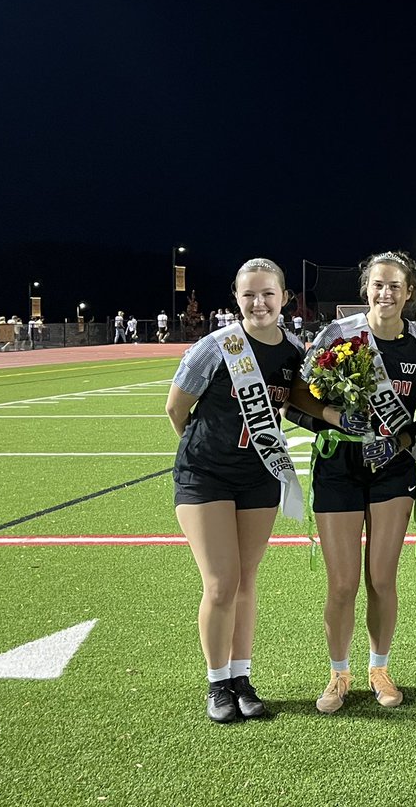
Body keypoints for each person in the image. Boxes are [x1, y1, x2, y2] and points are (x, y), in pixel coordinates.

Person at [289, 251, 416, 715]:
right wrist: (335, 415)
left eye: (395, 286)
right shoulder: (339, 334)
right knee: (342, 584)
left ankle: (379, 668)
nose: (385, 293)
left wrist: (405, 439)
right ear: (366, 289)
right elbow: (297, 395)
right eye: (378, 285)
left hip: (392, 471)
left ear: (410, 292)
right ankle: (338, 673)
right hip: (339, 468)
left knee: (381, 578)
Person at [165, 258, 304, 723]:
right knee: (221, 582)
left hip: (259, 476)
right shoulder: (216, 346)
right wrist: (207, 450)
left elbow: (303, 405)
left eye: (268, 293)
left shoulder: (295, 351)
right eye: (249, 295)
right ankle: (217, 682)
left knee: (246, 580)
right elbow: (176, 408)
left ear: (284, 297)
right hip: (205, 476)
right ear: (237, 298)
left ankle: (242, 677)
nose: (259, 303)